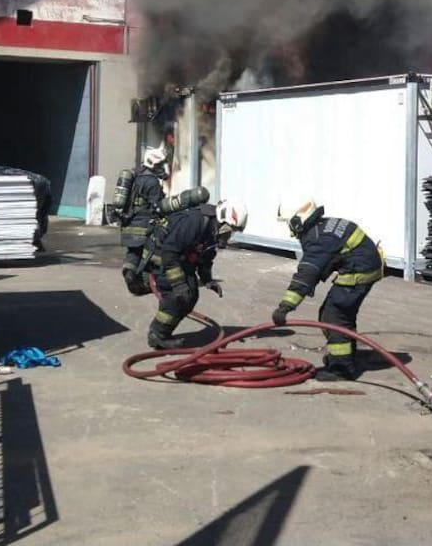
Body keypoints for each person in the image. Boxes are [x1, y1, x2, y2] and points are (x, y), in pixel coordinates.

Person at [271, 197, 384, 381]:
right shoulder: (323, 226)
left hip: (358, 272)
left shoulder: (318, 239)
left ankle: (342, 369)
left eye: (289, 223)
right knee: (342, 314)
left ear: (298, 220)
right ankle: (348, 356)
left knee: (333, 317)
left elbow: (306, 274)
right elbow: (330, 257)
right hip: (366, 265)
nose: (290, 230)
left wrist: (285, 306)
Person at [144, 199, 248, 350]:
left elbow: (205, 256)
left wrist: (208, 280)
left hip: (180, 258)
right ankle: (157, 334)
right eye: (231, 228)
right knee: (176, 296)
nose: (230, 234)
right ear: (223, 219)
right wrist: (178, 284)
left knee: (190, 295)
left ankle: (163, 332)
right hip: (163, 258)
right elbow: (169, 252)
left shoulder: (213, 228)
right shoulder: (195, 222)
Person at [119, 146, 169, 294]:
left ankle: (129, 273)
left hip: (129, 224)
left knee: (133, 253)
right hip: (144, 226)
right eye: (160, 164)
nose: (162, 167)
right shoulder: (152, 182)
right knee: (150, 255)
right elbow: (157, 206)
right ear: (153, 163)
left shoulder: (135, 176)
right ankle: (148, 283)